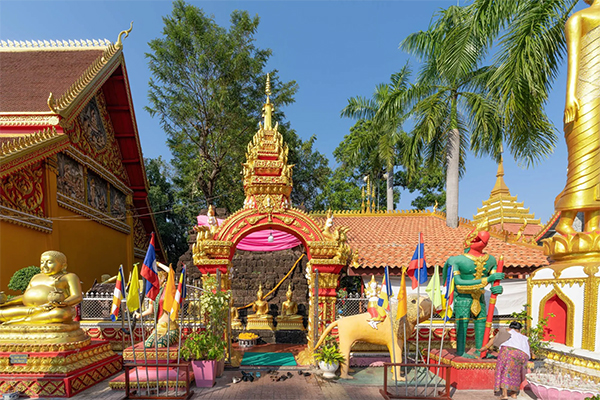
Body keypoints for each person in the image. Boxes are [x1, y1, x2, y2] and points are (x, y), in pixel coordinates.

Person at [554, 0, 600, 235]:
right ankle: (565, 222)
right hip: (585, 99)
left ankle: (594, 226)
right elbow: (573, 60)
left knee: (598, 165)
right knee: (583, 159)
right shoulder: (578, 19)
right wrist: (570, 97)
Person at [442, 228, 504, 357]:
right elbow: (458, 282)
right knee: (462, 323)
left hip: (479, 297)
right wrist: (487, 280)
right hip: (462, 297)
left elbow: (495, 280)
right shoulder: (456, 260)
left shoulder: (491, 260)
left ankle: (481, 350)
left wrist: (497, 288)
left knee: (481, 323)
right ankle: (460, 351)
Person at [0, 251, 83, 325]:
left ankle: (22, 321)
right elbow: (24, 296)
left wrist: (64, 303)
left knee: (61, 314)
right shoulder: (36, 277)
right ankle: (29, 319)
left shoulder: (68, 277)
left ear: (63, 266)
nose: (45, 266)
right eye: (42, 262)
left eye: (49, 262)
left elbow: (77, 296)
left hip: (52, 309)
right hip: (30, 309)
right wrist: (7, 302)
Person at [480, 321, 530, 400]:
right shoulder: (524, 337)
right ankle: (514, 394)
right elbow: (528, 347)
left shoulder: (508, 331)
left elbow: (494, 339)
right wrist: (533, 355)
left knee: (504, 371)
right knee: (516, 373)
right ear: (520, 329)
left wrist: (484, 348)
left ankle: (504, 394)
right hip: (522, 355)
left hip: (508, 352)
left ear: (510, 327)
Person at [135, 267, 179, 348]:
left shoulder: (168, 289)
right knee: (148, 344)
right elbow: (150, 310)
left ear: (163, 277)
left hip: (170, 328)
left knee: (160, 344)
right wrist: (140, 315)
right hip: (159, 327)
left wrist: (157, 264)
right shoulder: (154, 292)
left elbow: (171, 272)